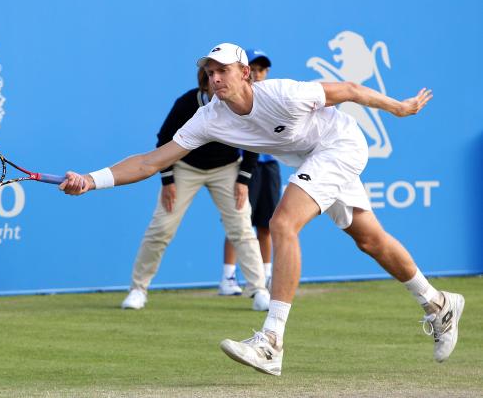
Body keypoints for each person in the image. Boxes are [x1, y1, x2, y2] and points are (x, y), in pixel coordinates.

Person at [60, 43, 464, 376]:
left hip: (339, 145)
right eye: (210, 72)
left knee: (282, 223)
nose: (215, 78)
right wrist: (92, 179)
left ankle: (271, 341)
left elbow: (351, 89)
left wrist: (398, 107)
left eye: (223, 70)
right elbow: (152, 161)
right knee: (370, 240)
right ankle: (438, 303)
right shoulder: (208, 118)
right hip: (310, 159)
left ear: (245, 74)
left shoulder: (285, 94)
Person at [119, 67, 271, 311]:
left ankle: (259, 290)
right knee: (161, 228)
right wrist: (168, 181)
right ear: (204, 83)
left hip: (227, 169)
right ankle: (138, 289)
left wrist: (243, 180)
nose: (218, 83)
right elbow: (164, 139)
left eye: (223, 76)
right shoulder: (187, 103)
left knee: (241, 227)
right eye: (212, 78)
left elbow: (253, 138)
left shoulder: (241, 102)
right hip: (185, 169)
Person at [221, 48, 281, 293]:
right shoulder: (233, 98)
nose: (257, 73)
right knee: (239, 223)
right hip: (242, 166)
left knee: (267, 225)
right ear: (243, 72)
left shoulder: (274, 96)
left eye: (262, 69)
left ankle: (265, 276)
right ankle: (228, 277)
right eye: (253, 69)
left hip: (269, 166)